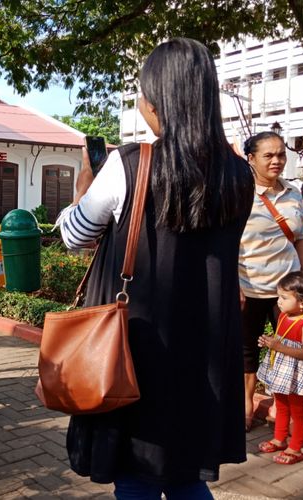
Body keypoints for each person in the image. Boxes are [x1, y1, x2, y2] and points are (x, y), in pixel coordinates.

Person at [56, 38, 254, 498]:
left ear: (159, 99)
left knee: (137, 473)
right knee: (186, 471)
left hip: (137, 348)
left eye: (144, 92)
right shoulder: (239, 174)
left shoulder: (129, 164)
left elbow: (73, 238)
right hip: (204, 350)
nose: (142, 102)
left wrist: (84, 183)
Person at [239, 131, 303, 433]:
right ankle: (246, 404)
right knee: (246, 350)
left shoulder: (293, 193)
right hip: (248, 286)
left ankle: (294, 416)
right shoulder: (239, 193)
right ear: (251, 158)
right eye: (268, 155)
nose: (277, 160)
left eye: (281, 154)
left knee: (293, 350)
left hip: (289, 292)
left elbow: (302, 237)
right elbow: (226, 242)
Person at [256, 271, 303, 465]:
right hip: (282, 370)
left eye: (284, 297)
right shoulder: (284, 316)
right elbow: (281, 338)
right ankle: (279, 438)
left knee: (297, 409)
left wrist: (277, 346)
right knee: (281, 404)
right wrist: (270, 341)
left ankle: (295, 448)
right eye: (279, 296)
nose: (279, 301)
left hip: (297, 374)